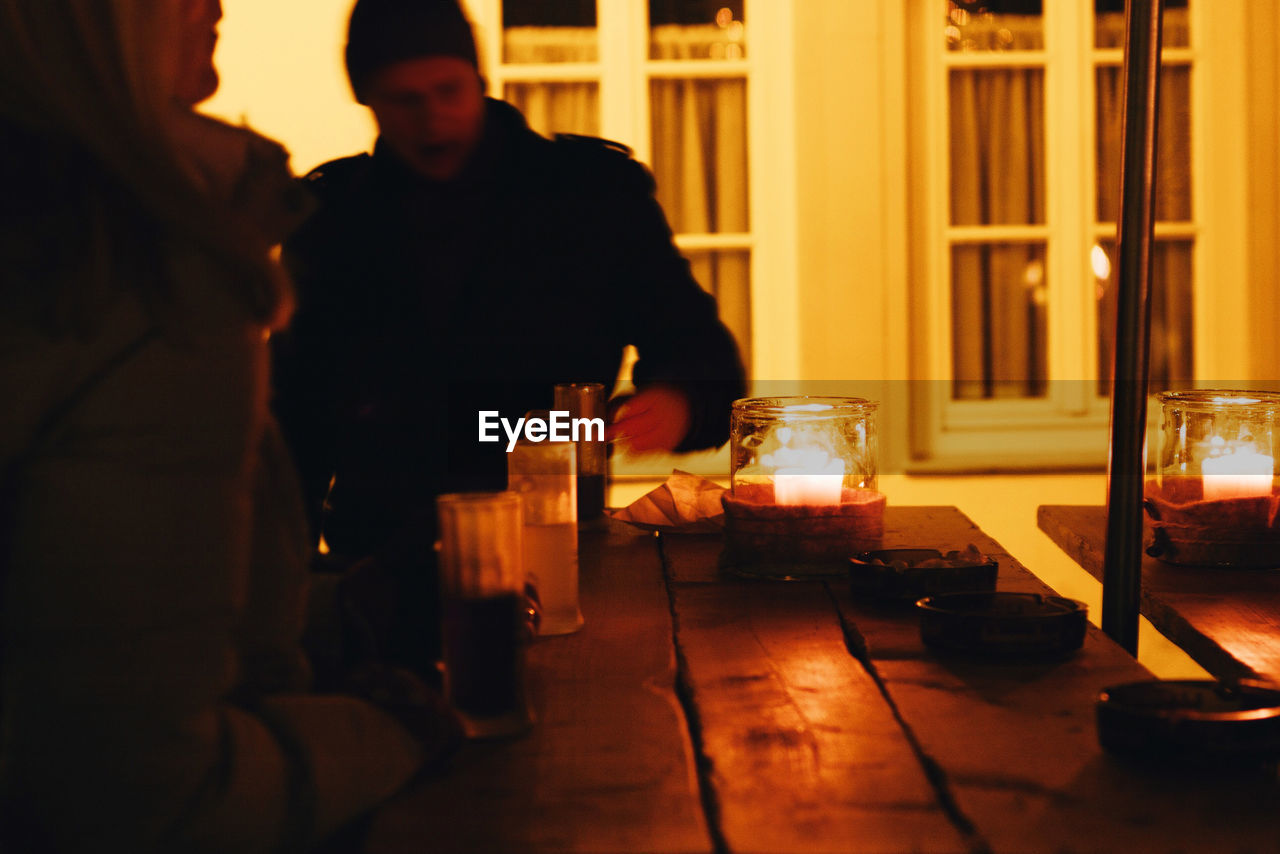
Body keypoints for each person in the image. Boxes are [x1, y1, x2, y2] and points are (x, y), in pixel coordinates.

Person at [0, 2, 457, 851]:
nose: (217, 5)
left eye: (448, 90)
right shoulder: (139, 274)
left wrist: (338, 605)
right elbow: (140, 787)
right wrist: (397, 729)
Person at [273, 0, 747, 564]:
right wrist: (283, 585)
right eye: (405, 100)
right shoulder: (330, 221)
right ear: (365, 97)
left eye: (448, 90)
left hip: (555, 546)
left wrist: (679, 399)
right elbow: (293, 425)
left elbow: (706, 356)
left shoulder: (590, 198)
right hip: (380, 563)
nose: (432, 118)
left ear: (480, 79)